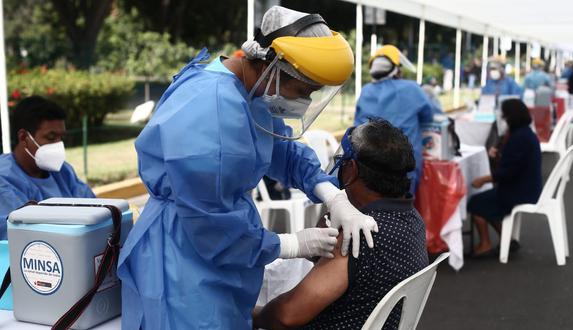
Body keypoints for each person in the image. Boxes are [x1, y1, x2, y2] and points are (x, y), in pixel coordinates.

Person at [117, 6, 378, 329]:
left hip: (223, 245)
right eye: (303, 91)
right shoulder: (209, 109)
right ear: (272, 66)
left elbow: (281, 147)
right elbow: (209, 220)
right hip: (185, 255)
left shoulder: (251, 91)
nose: (304, 103)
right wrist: (289, 244)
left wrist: (333, 195)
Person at [253, 119, 429, 329]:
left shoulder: (357, 235)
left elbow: (286, 315)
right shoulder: (412, 218)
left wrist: (248, 315)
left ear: (351, 169)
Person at [0, 96, 95, 239]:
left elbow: (95, 209)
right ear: (24, 138)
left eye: (61, 137)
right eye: (51, 137)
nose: (58, 145)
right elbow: (23, 237)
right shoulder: (4, 180)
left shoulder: (62, 171)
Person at [354, 44, 434, 193]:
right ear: (397, 70)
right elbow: (428, 117)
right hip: (403, 163)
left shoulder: (365, 91)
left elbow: (356, 125)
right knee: (401, 205)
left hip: (368, 161)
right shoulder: (412, 89)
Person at [468, 99, 541, 257]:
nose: (503, 120)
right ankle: (507, 238)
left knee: (475, 203)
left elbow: (508, 172)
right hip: (527, 186)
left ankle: (485, 244)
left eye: (505, 117)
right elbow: (514, 164)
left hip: (519, 191)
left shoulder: (518, 138)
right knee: (486, 201)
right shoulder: (525, 133)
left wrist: (483, 179)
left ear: (511, 118)